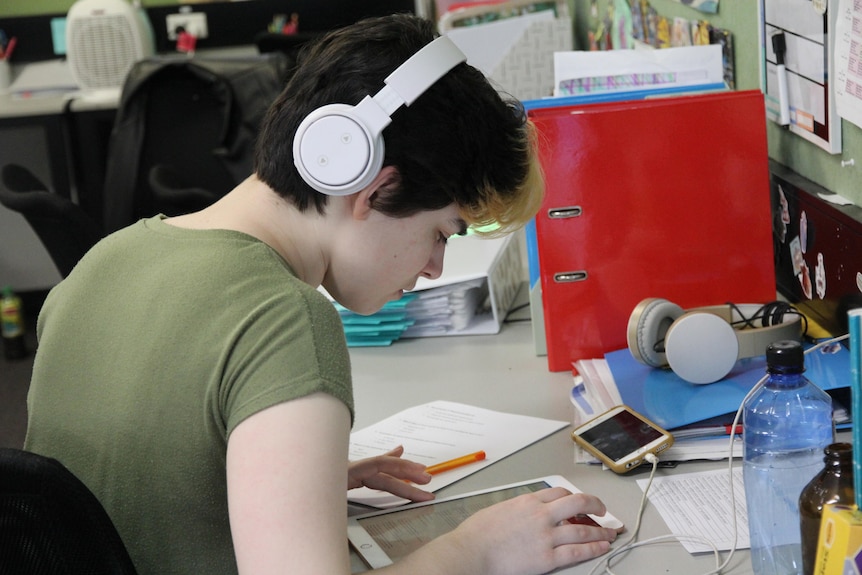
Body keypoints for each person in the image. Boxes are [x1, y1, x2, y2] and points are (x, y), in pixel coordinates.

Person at [24, 13, 618, 575]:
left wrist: (290, 486)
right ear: (375, 190)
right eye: (441, 233)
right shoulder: (286, 320)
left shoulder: (104, 260)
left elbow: (126, 489)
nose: (436, 268)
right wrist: (481, 550)